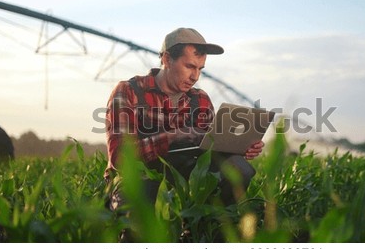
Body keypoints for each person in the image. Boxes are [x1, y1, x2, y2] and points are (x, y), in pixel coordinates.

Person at [104, 27, 264, 213]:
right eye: (189, 67)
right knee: (137, 209)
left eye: (200, 69)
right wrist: (172, 137)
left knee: (238, 168)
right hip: (136, 179)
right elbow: (121, 159)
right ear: (166, 59)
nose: (195, 76)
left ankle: (212, 229)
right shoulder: (129, 91)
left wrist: (240, 147)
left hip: (184, 178)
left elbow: (212, 151)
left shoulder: (201, 99)